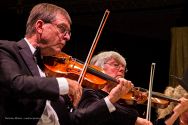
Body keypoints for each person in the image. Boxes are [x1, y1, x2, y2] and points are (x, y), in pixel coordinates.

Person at [0, 3, 134, 125]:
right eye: (62, 28)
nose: (67, 37)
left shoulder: (50, 71)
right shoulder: (7, 49)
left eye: (69, 32)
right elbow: (16, 83)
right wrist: (64, 83)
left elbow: (74, 120)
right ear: (40, 26)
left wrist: (110, 99)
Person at [78, 51, 153, 125]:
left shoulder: (123, 99)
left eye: (124, 68)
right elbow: (92, 114)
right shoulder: (88, 92)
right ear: (98, 68)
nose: (122, 69)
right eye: (116, 65)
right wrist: (133, 119)